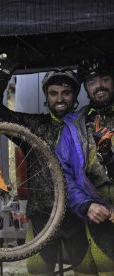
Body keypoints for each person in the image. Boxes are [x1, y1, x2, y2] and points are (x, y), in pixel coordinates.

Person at [0, 66, 97, 275]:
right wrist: (2, 76)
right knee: (38, 271)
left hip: (77, 217)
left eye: (66, 93)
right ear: (46, 97)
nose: (60, 99)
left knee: (87, 271)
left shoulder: (86, 126)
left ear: (75, 96)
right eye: (54, 93)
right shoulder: (33, 126)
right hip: (41, 217)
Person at [55, 57, 114, 274]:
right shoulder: (72, 126)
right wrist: (87, 205)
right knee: (107, 267)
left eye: (105, 79)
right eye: (91, 82)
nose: (99, 86)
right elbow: (63, 173)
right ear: (86, 90)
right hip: (99, 211)